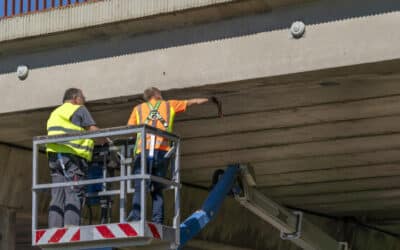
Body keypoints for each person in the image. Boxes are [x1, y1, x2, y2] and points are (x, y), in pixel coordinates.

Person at [126, 87, 209, 224]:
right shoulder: (168, 105)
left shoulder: (138, 108)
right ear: (157, 94)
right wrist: (207, 99)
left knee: (141, 185)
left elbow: (129, 129)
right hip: (162, 151)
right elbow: (190, 102)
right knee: (157, 187)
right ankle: (158, 220)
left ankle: (136, 217)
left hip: (144, 151)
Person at [46, 88, 99, 228]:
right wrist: (107, 140)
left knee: (57, 195)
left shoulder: (55, 113)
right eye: (83, 98)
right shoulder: (79, 109)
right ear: (76, 98)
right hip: (72, 158)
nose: (85, 101)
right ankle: (71, 228)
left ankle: (54, 229)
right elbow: (93, 130)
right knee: (73, 193)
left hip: (55, 158)